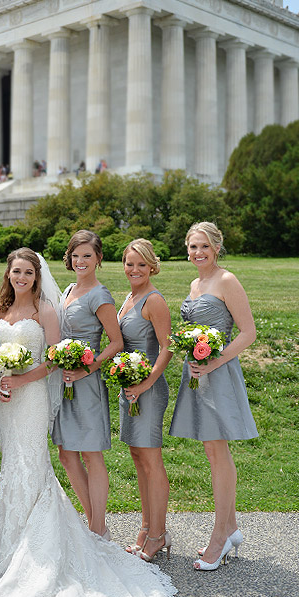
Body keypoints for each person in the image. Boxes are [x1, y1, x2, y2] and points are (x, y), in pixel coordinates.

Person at [0, 248, 177, 597]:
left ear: (37, 276)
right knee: (12, 463)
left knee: (33, 460)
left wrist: (21, 379)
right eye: (16, 271)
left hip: (32, 398)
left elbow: (52, 358)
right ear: (8, 274)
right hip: (5, 398)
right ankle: (11, 542)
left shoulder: (46, 310)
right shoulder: (0, 309)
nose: (22, 278)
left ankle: (45, 542)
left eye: (28, 272)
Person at [168, 222, 258, 571]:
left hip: (218, 373)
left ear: (216, 248)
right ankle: (231, 528)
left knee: (218, 451)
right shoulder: (195, 284)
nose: (198, 252)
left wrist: (215, 362)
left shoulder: (227, 280)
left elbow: (248, 332)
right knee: (211, 450)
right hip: (196, 372)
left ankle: (220, 536)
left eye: (204, 246)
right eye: (193, 246)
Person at [52, 230, 123, 538]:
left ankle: (97, 527)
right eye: (76, 255)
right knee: (66, 454)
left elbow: (116, 342)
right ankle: (96, 525)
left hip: (87, 383)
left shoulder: (100, 295)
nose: (80, 261)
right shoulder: (69, 289)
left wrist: (87, 369)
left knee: (91, 454)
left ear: (98, 259)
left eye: (87, 256)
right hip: (63, 382)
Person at [116, 239, 174, 561]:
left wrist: (146, 383)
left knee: (152, 462)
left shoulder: (154, 300)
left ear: (152, 266)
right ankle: (147, 527)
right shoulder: (129, 297)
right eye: (129, 263)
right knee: (138, 457)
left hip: (148, 390)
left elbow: (167, 347)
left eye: (141, 264)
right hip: (130, 389)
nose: (134, 269)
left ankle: (158, 535)